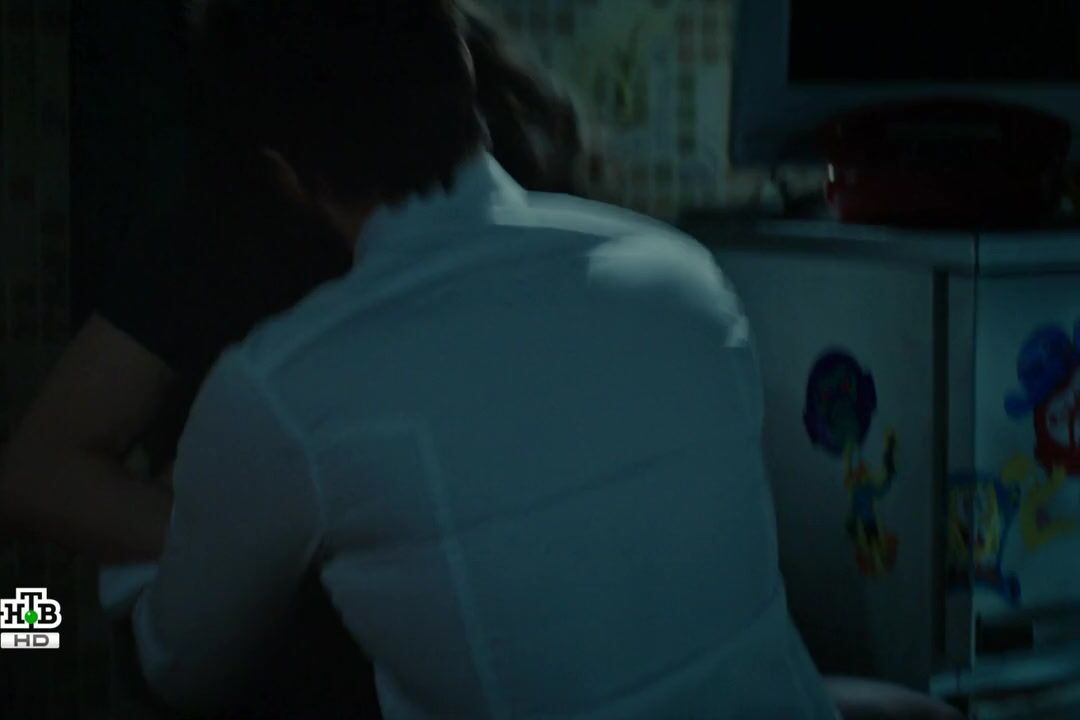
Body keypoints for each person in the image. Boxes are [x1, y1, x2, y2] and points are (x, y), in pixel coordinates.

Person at [0, 0, 963, 717]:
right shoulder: (679, 269)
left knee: (50, 613)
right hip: (291, 597)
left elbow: (178, 662)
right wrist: (238, 534)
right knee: (27, 611)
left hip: (336, 618)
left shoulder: (285, 376)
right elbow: (39, 476)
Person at [0, 2, 591, 718]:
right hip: (273, 655)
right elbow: (38, 474)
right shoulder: (215, 194)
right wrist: (264, 534)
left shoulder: (512, 135)